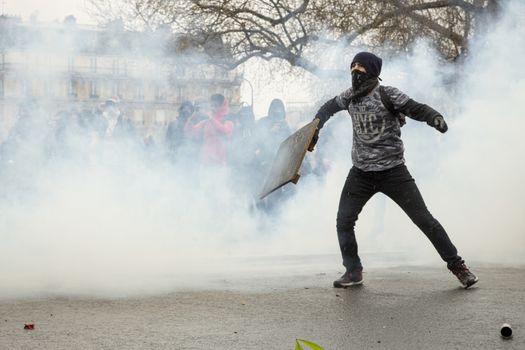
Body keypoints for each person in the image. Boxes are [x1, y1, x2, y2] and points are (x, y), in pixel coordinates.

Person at [309, 51, 478, 289]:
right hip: (361, 173)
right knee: (343, 221)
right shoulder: (350, 97)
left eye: (361, 67)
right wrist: (314, 129)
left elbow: (416, 108)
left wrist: (435, 118)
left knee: (424, 219)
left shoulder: (388, 94)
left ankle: (459, 267)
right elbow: (327, 108)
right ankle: (353, 271)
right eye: (353, 67)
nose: (355, 72)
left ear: (373, 72)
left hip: (393, 172)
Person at [185, 94, 233, 166]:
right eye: (212, 105)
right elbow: (190, 131)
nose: (213, 108)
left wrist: (211, 118)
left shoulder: (228, 121)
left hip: (219, 161)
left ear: (222, 107)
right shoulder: (207, 121)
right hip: (206, 161)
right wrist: (191, 116)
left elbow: (225, 130)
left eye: (215, 105)